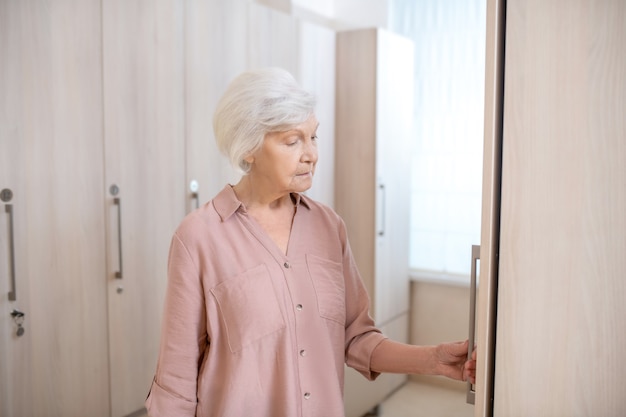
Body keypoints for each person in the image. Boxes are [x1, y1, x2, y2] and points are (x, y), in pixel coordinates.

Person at [145, 67, 476, 417]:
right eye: (292, 141)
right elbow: (176, 380)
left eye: (313, 137)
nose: (311, 154)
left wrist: (434, 360)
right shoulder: (198, 237)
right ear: (249, 146)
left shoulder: (329, 226)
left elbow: (356, 337)